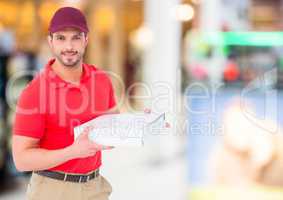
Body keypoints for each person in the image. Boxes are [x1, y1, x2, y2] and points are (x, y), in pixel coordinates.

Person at [12, 7, 117, 200]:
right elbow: (21, 159)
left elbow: (113, 123)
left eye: (76, 37)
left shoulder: (101, 80)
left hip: (95, 187)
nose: (69, 46)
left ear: (86, 39)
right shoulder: (35, 92)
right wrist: (72, 152)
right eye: (61, 38)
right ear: (50, 41)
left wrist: (142, 123)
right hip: (53, 190)